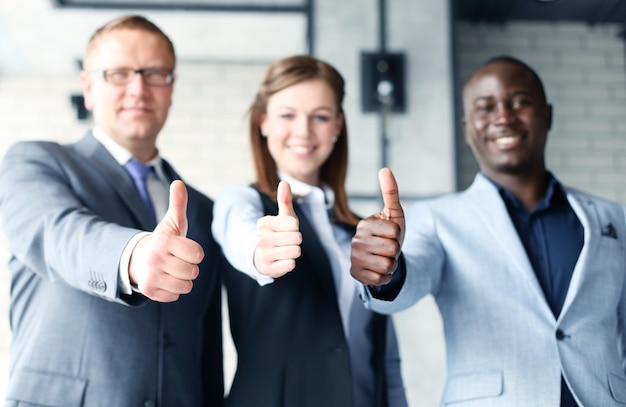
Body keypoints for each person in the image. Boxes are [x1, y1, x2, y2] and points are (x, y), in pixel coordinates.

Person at [350, 55, 626, 406]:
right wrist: (384, 270)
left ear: (547, 115)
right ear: (467, 128)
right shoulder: (438, 218)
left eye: (520, 102)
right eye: (486, 107)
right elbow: (410, 277)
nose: (504, 116)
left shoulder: (613, 217)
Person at [0, 15, 223, 406]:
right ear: (88, 87)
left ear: (171, 88)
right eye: (118, 73)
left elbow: (204, 343)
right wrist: (132, 255)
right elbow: (57, 233)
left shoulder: (202, 208)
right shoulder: (35, 163)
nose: (138, 89)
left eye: (155, 73)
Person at [212, 55, 408, 407]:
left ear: (337, 126)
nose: (303, 131)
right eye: (287, 115)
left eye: (319, 116)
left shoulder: (361, 232)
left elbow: (384, 356)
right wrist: (262, 252)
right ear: (263, 122)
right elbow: (241, 235)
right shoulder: (243, 203)